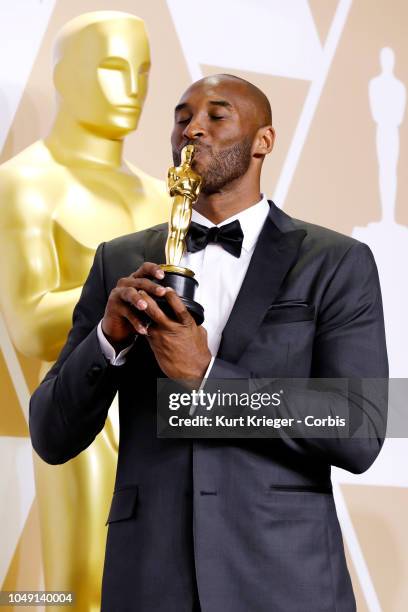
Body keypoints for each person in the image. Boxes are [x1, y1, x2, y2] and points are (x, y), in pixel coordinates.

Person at [29, 74, 388, 612]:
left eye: (217, 116)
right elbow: (50, 435)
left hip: (284, 579)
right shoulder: (118, 261)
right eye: (181, 118)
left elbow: (360, 428)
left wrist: (208, 377)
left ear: (263, 140)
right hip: (149, 578)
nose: (192, 129)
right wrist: (107, 340)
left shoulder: (336, 261)